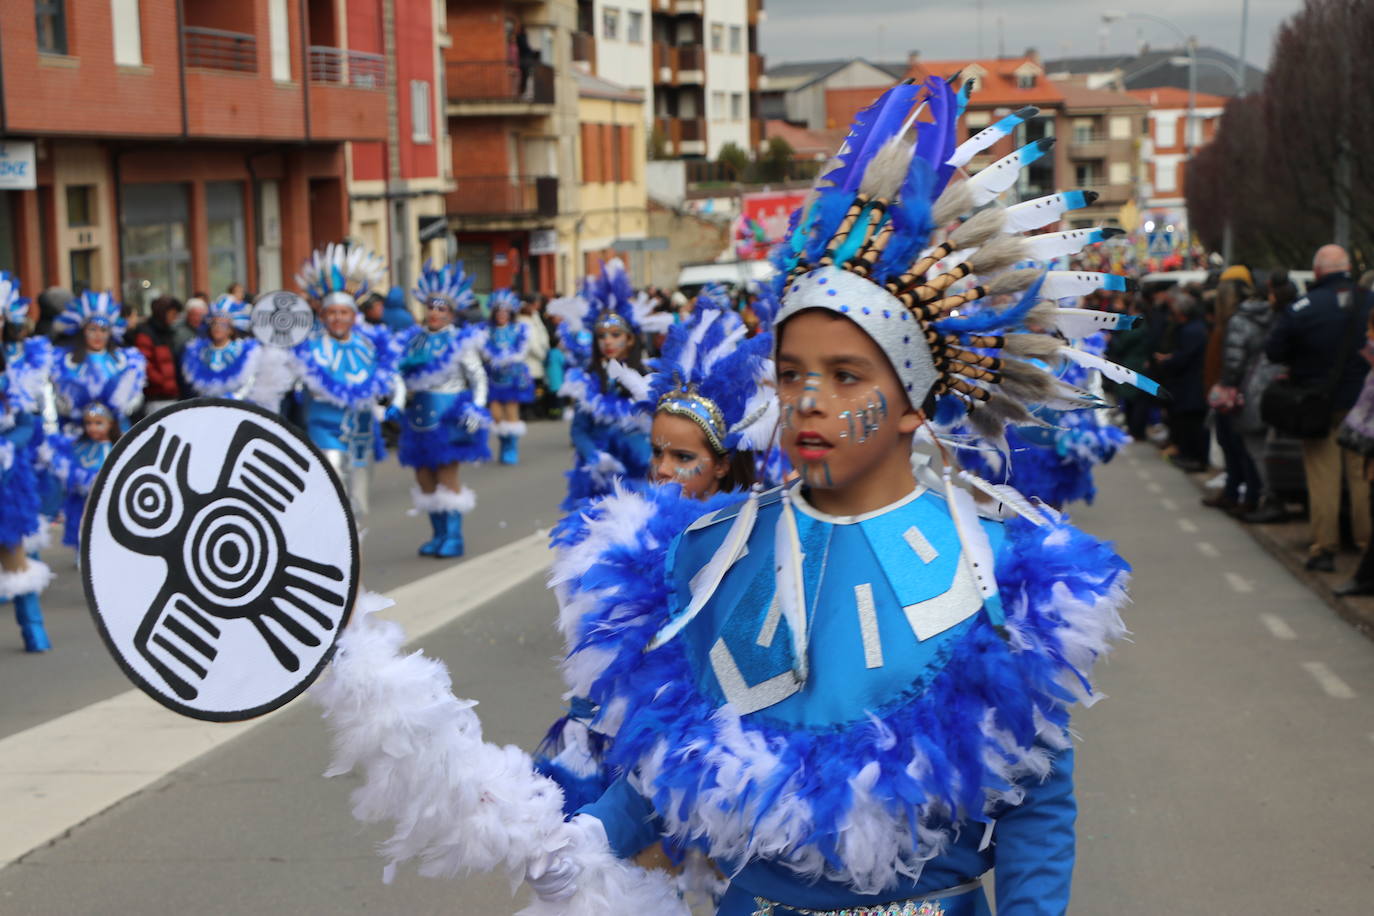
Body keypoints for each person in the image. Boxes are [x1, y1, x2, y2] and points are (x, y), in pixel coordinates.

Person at [314, 78, 1142, 915]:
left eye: (845, 376)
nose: (807, 399)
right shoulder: (710, 555)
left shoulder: (1002, 571)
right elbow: (674, 755)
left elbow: (1036, 807)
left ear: (912, 405)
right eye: (791, 375)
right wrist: (594, 835)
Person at [1265, 244, 1374, 571]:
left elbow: (1274, 349)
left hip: (1319, 404)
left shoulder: (1304, 307)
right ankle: (1366, 546)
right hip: (1365, 406)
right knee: (1362, 477)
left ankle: (1324, 547)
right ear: (1348, 270)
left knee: (1323, 477)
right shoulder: (1368, 301)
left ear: (1317, 273)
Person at [551, 260, 672, 511]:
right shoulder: (588, 380)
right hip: (601, 479)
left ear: (630, 340)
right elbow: (579, 430)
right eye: (602, 336)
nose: (608, 341)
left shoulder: (650, 378)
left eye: (615, 335)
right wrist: (596, 457)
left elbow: (665, 429)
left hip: (642, 474)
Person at [292, 243, 399, 526]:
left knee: (359, 504)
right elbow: (293, 382)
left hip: (362, 432)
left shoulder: (369, 345)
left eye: (343, 312)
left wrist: (394, 404)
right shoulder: (309, 349)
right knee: (332, 488)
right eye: (332, 313)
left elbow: (392, 377)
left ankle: (356, 557)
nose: (338, 318)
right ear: (323, 316)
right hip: (324, 428)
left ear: (354, 316)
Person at [396, 262, 490, 559]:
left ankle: (453, 536)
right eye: (431, 308)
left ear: (451, 313)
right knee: (424, 478)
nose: (435, 314)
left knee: (446, 476)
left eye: (442, 310)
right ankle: (437, 535)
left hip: (448, 416)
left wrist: (476, 408)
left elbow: (478, 378)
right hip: (419, 415)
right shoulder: (415, 339)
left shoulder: (460, 341)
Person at [0, 274, 55, 652]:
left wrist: (7, 445)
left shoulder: (17, 365)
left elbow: (27, 422)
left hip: (9, 474)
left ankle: (33, 630)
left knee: (20, 552)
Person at [1203, 266, 1270, 515]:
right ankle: (1239, 492)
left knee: (1238, 446)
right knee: (1240, 446)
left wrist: (1225, 387)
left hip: (1237, 395)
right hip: (1253, 390)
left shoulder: (1237, 320)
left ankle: (1245, 495)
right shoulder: (1261, 316)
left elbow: (1233, 361)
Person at [51, 291, 147, 434]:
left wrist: (114, 412)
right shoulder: (65, 361)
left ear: (110, 332)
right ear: (83, 331)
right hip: (77, 434)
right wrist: (85, 416)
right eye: (92, 329)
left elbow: (135, 396)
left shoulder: (125, 360)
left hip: (116, 433)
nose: (98, 335)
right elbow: (58, 397)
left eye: (103, 330)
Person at [50, 401, 117, 554]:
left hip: (109, 500)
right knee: (84, 527)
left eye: (98, 423)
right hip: (83, 501)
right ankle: (83, 554)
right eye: (88, 423)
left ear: (111, 423)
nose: (92, 427)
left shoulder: (117, 446)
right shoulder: (78, 446)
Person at [1153, 287, 1209, 471]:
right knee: (1187, 423)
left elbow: (1184, 357)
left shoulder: (1191, 331)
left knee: (1192, 426)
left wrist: (1168, 360)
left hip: (1191, 385)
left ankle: (1194, 457)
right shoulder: (1191, 328)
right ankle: (1189, 454)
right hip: (1187, 384)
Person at [482, 289, 535, 465]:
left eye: (505, 312)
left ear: (510, 313)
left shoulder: (519, 329)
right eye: (498, 312)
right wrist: (491, 357)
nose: (502, 315)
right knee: (495, 414)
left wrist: (509, 358)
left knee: (511, 412)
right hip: (494, 378)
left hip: (513, 377)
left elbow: (523, 350)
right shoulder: (486, 331)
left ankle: (511, 446)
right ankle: (503, 442)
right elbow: (482, 350)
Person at [180, 293, 261, 400]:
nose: (217, 328)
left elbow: (249, 381)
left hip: (236, 406)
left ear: (231, 330)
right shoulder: (200, 352)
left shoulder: (241, 350)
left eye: (223, 324)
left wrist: (234, 398)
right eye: (214, 323)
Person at [130, 295, 182, 416]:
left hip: (171, 395)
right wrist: (163, 383)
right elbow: (146, 364)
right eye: (173, 314)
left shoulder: (168, 333)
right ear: (163, 313)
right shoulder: (146, 334)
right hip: (156, 397)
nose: (175, 318)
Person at [518, 293, 551, 419]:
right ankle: (528, 412)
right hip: (530, 360)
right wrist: (542, 354)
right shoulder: (523, 320)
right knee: (529, 386)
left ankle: (535, 410)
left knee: (537, 387)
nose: (537, 307)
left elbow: (542, 333)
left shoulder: (535, 316)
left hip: (538, 359)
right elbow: (530, 342)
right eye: (535, 304)